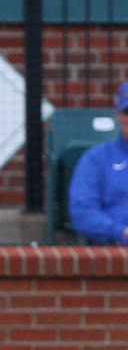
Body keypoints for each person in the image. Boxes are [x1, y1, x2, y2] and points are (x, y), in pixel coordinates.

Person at [67, 80, 128, 246]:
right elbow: (82, 212)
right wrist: (120, 232)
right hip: (113, 253)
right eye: (127, 112)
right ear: (118, 115)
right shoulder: (96, 158)